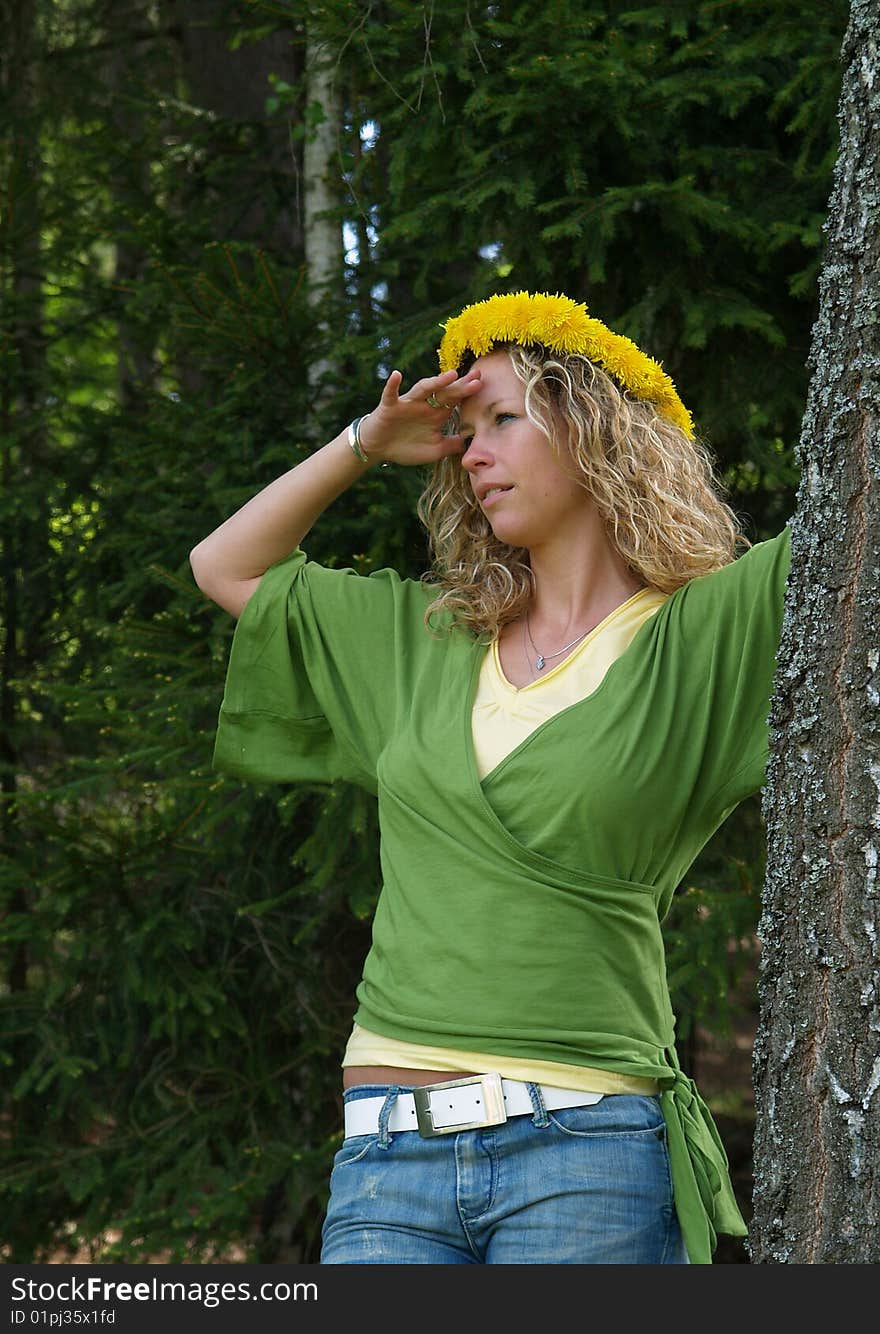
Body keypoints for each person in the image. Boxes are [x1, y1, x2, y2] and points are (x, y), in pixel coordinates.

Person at [190, 291, 791, 1265]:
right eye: (465, 432)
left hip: (587, 1148)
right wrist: (368, 439)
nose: (471, 453)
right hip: (390, 1154)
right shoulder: (424, 640)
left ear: (598, 430)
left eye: (503, 419)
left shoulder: (698, 638)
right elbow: (225, 565)